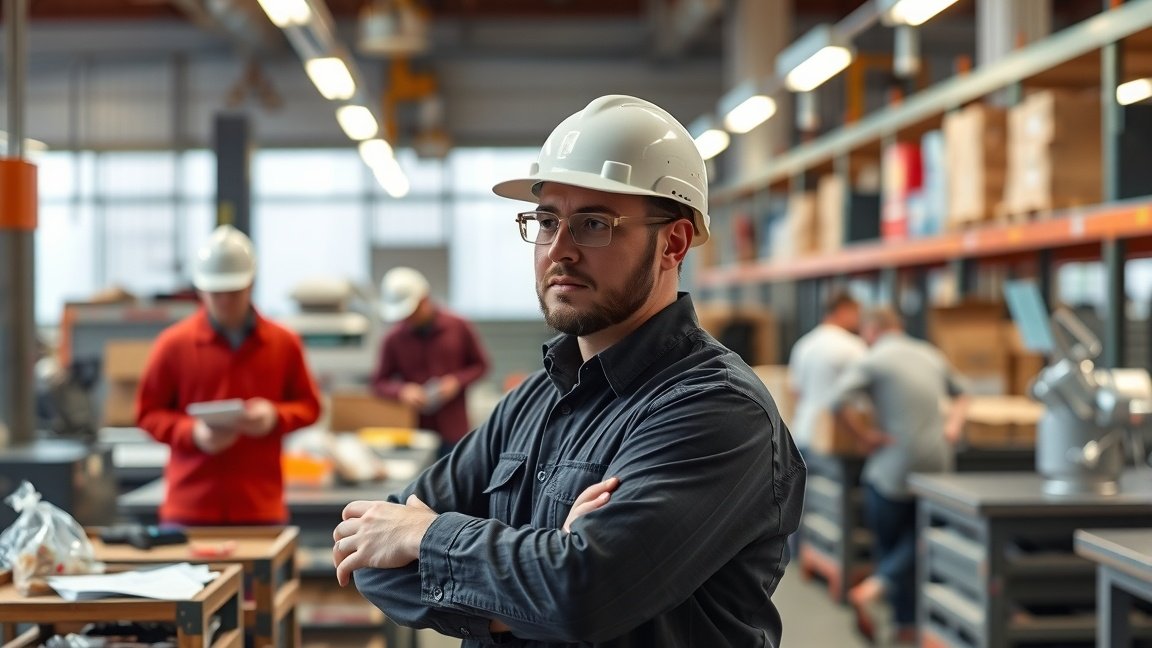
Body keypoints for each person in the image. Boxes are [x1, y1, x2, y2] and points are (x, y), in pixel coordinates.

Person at [332, 94, 806, 647]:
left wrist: (433, 538)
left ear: (672, 242)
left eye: (594, 224)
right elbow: (367, 553)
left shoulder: (718, 411)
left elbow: (584, 595)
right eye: (547, 220)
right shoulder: (531, 401)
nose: (560, 250)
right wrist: (540, 571)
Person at [136, 224, 322, 526]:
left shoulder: (284, 343)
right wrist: (193, 433)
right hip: (189, 510)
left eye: (233, 292)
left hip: (260, 509)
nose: (224, 301)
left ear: (250, 284)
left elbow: (310, 406)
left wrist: (274, 417)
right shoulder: (173, 345)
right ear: (200, 289)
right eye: (215, 292)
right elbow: (147, 413)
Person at [827, 306, 970, 645]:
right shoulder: (929, 353)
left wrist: (864, 438)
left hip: (893, 466)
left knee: (891, 541)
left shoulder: (874, 359)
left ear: (872, 330)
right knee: (923, 536)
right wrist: (953, 426)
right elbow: (963, 392)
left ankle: (877, 588)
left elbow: (836, 401)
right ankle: (906, 621)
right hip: (938, 464)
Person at [372, 267, 491, 458]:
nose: (408, 318)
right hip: (414, 432)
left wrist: (456, 381)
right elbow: (378, 382)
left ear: (424, 299)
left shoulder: (458, 327)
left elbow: (481, 365)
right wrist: (402, 391)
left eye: (412, 311)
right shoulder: (393, 339)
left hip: (454, 430)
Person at [788, 290, 866, 455]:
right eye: (856, 313)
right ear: (843, 310)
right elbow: (862, 398)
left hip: (803, 434)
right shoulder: (853, 346)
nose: (859, 319)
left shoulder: (804, 344)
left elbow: (795, 393)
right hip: (836, 442)